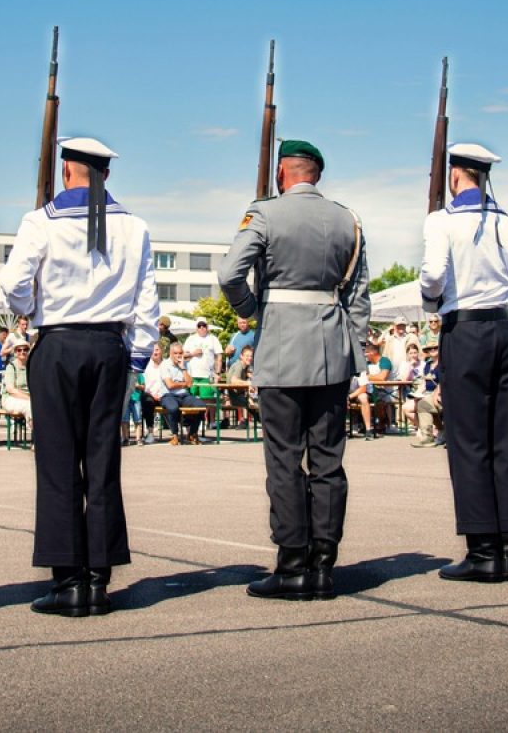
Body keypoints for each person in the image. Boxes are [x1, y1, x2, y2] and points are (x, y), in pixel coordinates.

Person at [0, 136, 160, 618]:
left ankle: (67, 578)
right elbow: (147, 301)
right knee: (103, 461)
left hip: (59, 343)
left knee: (58, 463)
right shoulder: (134, 226)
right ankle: (99, 579)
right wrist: (136, 359)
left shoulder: (39, 222)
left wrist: (28, 313)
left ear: (65, 170)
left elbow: (13, 284)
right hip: (109, 344)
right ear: (105, 174)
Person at [219, 138, 370, 601]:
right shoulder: (348, 219)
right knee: (328, 460)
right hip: (331, 349)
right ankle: (324, 565)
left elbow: (229, 275)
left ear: (283, 172)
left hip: (281, 346)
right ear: (316, 174)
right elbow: (359, 297)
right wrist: (352, 348)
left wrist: (252, 308)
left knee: (284, 459)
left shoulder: (263, 214)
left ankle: (291, 564)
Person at [418, 142, 508, 582]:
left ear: (454, 176)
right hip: (503, 330)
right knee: (502, 440)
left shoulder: (441, 221)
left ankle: (482, 550)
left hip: (464, 329)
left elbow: (433, 276)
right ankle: (507, 543)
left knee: (468, 442)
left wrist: (432, 302)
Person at [157, 341, 208, 443]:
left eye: (180, 353)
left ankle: (192, 433)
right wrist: (184, 383)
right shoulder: (164, 365)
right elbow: (170, 385)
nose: (178, 356)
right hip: (168, 395)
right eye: (175, 353)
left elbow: (189, 384)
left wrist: (183, 368)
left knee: (201, 406)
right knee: (173, 408)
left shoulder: (186, 365)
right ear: (170, 354)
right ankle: (175, 434)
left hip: (184, 395)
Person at [411, 344, 444, 448]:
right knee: (422, 404)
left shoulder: (445, 363)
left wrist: (437, 394)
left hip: (446, 394)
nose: (433, 350)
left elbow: (445, 380)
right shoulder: (428, 365)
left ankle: (450, 436)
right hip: (429, 394)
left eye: (435, 348)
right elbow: (425, 383)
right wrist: (417, 393)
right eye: (430, 349)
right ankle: (427, 437)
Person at [183, 318, 221, 398]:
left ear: (207, 327)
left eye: (203, 325)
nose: (202, 328)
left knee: (207, 401)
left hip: (207, 376)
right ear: (196, 328)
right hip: (192, 375)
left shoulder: (213, 339)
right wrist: (193, 354)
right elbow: (183, 356)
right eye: (199, 326)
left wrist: (217, 374)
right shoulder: (190, 339)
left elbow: (219, 357)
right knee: (192, 400)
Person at [0, 342, 33, 429]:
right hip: (11, 399)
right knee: (30, 405)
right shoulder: (11, 367)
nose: (22, 352)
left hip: (28, 398)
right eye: (19, 350)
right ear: (15, 352)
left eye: (25, 349)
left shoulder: (31, 366)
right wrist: (29, 398)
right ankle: (36, 435)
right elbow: (11, 390)